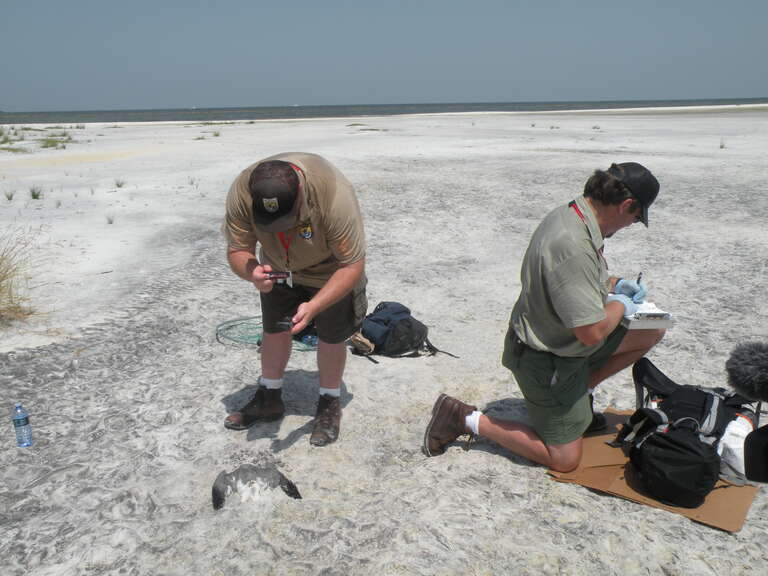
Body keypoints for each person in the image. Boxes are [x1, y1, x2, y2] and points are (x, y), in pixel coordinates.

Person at [423, 162, 665, 471]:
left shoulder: (576, 214)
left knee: (651, 330)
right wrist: (621, 304)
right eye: (635, 217)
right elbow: (590, 333)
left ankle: (579, 396)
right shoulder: (574, 244)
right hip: (545, 358)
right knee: (565, 460)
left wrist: (613, 285)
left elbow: (573, 282)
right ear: (627, 205)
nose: (631, 224)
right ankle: (462, 417)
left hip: (561, 343)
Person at [222, 152, 367, 447]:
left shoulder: (333, 195)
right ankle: (269, 397)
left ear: (301, 193)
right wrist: (252, 273)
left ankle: (328, 403)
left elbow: (352, 265)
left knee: (331, 335)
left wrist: (314, 306)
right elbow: (238, 249)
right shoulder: (242, 192)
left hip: (329, 270)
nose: (280, 228)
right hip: (275, 267)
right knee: (274, 328)